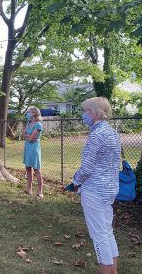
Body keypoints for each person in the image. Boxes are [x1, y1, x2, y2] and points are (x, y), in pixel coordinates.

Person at [71, 97, 121, 274]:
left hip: (94, 191)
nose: (83, 114)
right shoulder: (113, 133)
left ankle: (105, 270)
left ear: (92, 113)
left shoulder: (97, 135)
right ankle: (113, 270)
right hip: (109, 189)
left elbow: (86, 167)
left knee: (99, 235)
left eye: (85, 111)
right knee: (107, 232)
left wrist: (75, 182)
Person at [23, 107, 44, 198]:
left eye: (29, 112)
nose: (27, 113)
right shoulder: (29, 123)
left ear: (34, 113)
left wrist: (28, 136)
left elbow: (31, 139)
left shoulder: (38, 125)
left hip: (34, 148)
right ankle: (29, 189)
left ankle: (40, 191)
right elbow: (23, 134)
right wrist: (28, 136)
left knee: (36, 170)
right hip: (27, 147)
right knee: (28, 168)